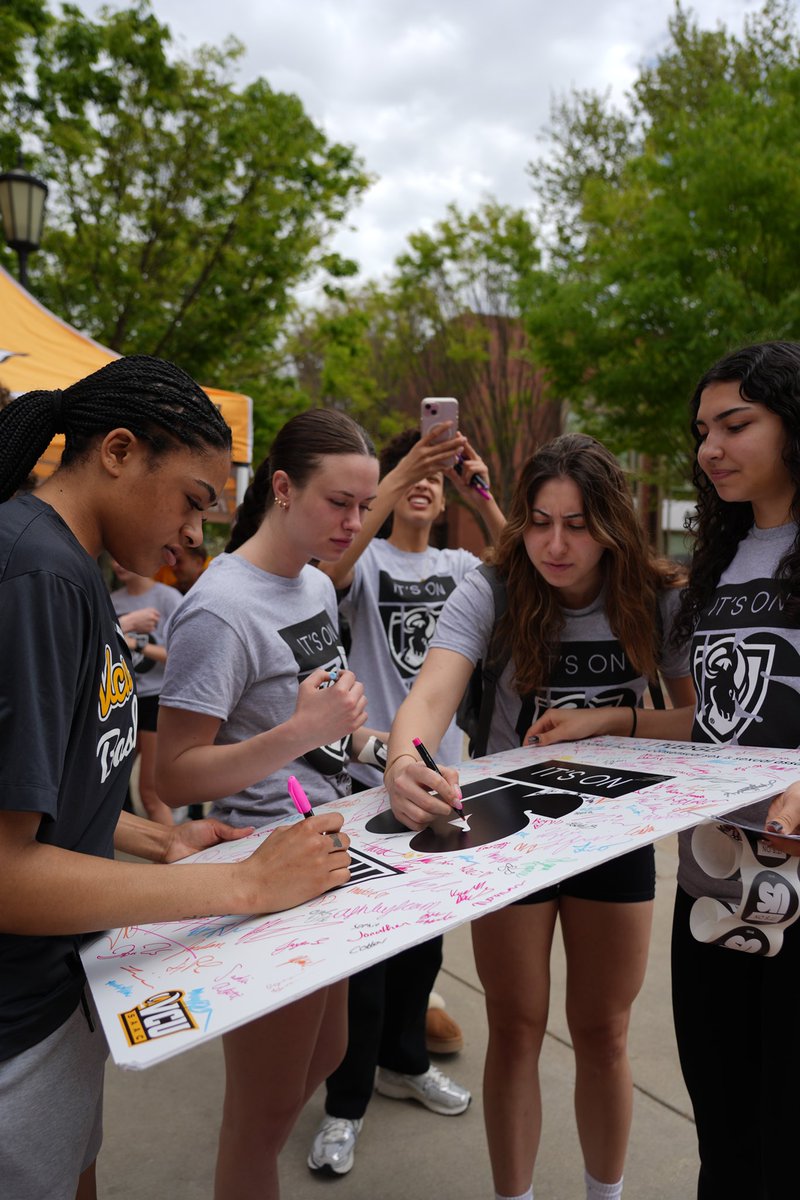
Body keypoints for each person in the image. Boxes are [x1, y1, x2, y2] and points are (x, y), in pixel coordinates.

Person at [0, 357, 352, 1200]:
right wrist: (242, 886)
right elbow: (7, 870)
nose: (198, 535)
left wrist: (159, 836)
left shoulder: (67, 568)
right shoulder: (36, 574)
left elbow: (39, 788)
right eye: (194, 499)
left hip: (54, 993)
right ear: (119, 451)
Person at [384, 433, 694, 1200]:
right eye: (541, 521)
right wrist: (403, 760)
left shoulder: (658, 594)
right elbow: (429, 697)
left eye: (580, 524)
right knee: (517, 1030)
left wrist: (609, 721)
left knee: (604, 1032)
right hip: (508, 831)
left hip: (615, 831)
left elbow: (703, 721)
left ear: (614, 524)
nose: (556, 544)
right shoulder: (490, 589)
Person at [527, 343, 800, 1200]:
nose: (710, 447)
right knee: (723, 1131)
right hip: (711, 877)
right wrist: (615, 717)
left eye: (736, 424)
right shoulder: (715, 567)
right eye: (701, 431)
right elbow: (721, 722)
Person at [155, 408, 381, 1200]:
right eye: (338, 503)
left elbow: (330, 728)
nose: (355, 523)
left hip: (328, 852)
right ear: (281, 489)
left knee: (326, 1057)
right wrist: (297, 733)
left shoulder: (316, 582)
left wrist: (388, 757)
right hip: (257, 875)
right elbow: (173, 776)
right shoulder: (221, 607)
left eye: (365, 504)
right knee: (260, 1117)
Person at [306, 424, 505, 1175]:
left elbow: (527, 559)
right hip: (365, 782)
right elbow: (327, 569)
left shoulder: (463, 565)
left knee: (424, 947)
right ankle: (343, 1105)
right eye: (409, 471)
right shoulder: (369, 562)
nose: (425, 481)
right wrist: (399, 477)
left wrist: (477, 489)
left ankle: (405, 1062)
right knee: (364, 964)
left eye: (436, 473)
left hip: (445, 786)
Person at [110, 561, 184, 824]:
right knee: (111, 785)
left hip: (157, 700)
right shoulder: (111, 599)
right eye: (113, 559)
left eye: (122, 560)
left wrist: (134, 643)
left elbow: (183, 655)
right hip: (120, 700)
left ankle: (174, 859)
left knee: (150, 793)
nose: (118, 564)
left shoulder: (168, 598)